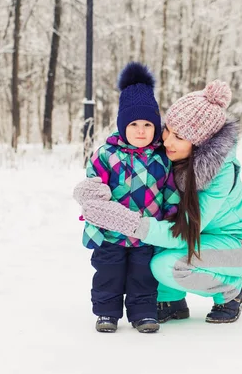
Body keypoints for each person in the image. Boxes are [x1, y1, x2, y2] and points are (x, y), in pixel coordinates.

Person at [75, 79, 242, 324]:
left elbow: (182, 233)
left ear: (199, 145)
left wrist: (130, 223)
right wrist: (86, 192)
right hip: (203, 239)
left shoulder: (220, 175)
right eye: (168, 131)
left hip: (236, 245)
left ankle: (231, 291)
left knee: (165, 264)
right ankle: (171, 300)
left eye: (180, 137)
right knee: (157, 236)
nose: (167, 142)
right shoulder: (169, 154)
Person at [74, 62, 180, 334]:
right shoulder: (105, 156)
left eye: (147, 124)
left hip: (146, 233)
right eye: (134, 124)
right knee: (108, 275)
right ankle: (107, 313)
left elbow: (170, 192)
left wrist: (171, 216)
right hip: (110, 235)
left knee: (143, 277)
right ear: (122, 125)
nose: (141, 131)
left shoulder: (162, 159)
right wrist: (94, 217)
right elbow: (93, 192)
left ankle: (143, 313)